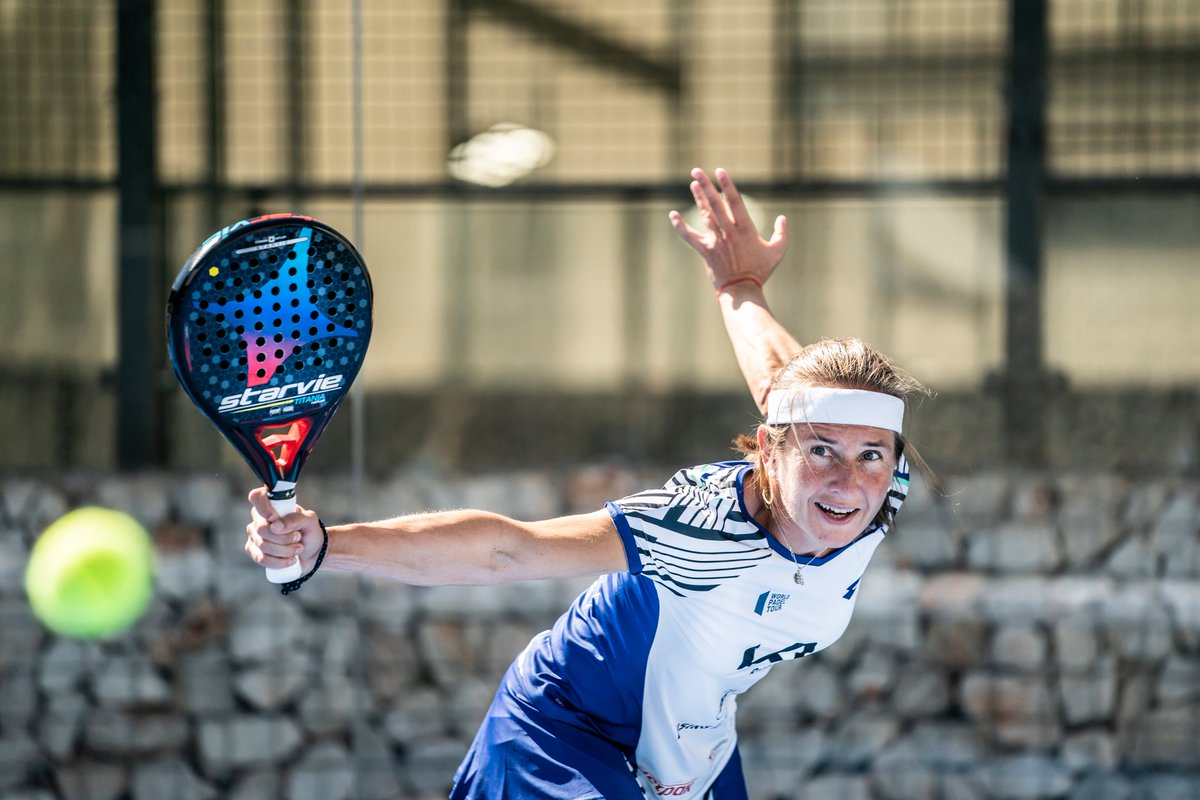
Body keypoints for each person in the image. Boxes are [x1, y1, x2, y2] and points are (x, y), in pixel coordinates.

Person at [244, 168, 932, 799]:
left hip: (692, 755)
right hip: (560, 737)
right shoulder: (696, 525)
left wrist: (741, 288)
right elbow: (506, 550)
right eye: (821, 452)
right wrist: (328, 545)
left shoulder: (878, 490)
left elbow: (790, 386)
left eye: (871, 454)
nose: (848, 479)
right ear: (771, 449)